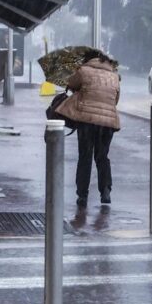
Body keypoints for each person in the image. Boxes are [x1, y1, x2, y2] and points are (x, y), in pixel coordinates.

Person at [56, 57, 121, 207]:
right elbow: (115, 100)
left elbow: (71, 83)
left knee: (85, 156)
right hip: (107, 122)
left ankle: (82, 196)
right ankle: (105, 190)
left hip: (86, 120)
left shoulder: (83, 71)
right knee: (102, 156)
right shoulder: (114, 76)